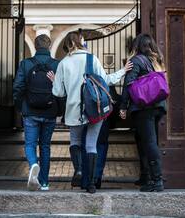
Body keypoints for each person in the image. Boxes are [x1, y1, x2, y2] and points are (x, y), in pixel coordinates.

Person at [48, 31, 133, 193]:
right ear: (81, 42)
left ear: (67, 44)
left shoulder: (63, 63)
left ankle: (79, 170)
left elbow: (59, 93)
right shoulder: (91, 59)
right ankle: (92, 184)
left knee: (75, 141)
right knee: (92, 145)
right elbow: (107, 81)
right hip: (94, 108)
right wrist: (123, 70)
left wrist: (55, 83)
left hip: (74, 110)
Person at [119, 33, 167, 192]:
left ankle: (157, 180)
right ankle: (146, 176)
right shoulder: (157, 60)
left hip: (143, 107)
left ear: (137, 46)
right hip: (157, 106)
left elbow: (129, 84)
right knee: (143, 140)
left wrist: (123, 106)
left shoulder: (136, 60)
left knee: (149, 142)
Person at [13, 34, 60, 191]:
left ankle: (33, 164)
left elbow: (18, 87)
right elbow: (62, 89)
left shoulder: (26, 64)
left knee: (30, 144)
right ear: (49, 45)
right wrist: (59, 109)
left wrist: (21, 106)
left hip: (30, 111)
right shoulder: (56, 64)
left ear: (35, 45)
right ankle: (45, 182)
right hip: (50, 111)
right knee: (45, 146)